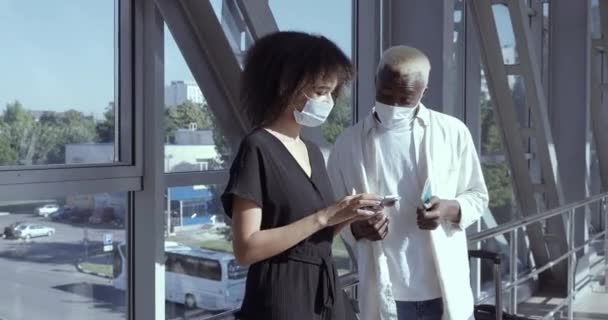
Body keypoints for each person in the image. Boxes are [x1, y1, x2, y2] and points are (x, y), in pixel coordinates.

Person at [221, 31, 383, 320]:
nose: (328, 101)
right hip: (282, 295)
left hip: (323, 289)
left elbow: (314, 234)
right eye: (320, 91)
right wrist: (325, 216)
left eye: (332, 93)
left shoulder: (312, 151)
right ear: (285, 85)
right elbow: (245, 248)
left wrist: (347, 214)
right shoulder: (257, 147)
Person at [327, 45, 489, 320]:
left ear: (423, 93)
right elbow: (332, 213)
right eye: (386, 96)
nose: (394, 106)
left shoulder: (453, 132)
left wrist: (448, 209)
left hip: (444, 290)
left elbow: (478, 195)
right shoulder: (348, 144)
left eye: (405, 99)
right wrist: (357, 228)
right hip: (386, 293)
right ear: (375, 83)